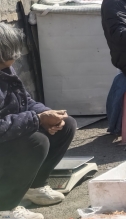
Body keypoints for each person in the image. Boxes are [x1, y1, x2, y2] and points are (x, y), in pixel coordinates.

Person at [0, 24, 76, 219]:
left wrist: (46, 113)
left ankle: (34, 187)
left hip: (9, 133)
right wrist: (37, 119)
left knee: (66, 125)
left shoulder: (6, 70)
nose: (13, 59)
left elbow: (26, 101)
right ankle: (5, 207)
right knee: (36, 142)